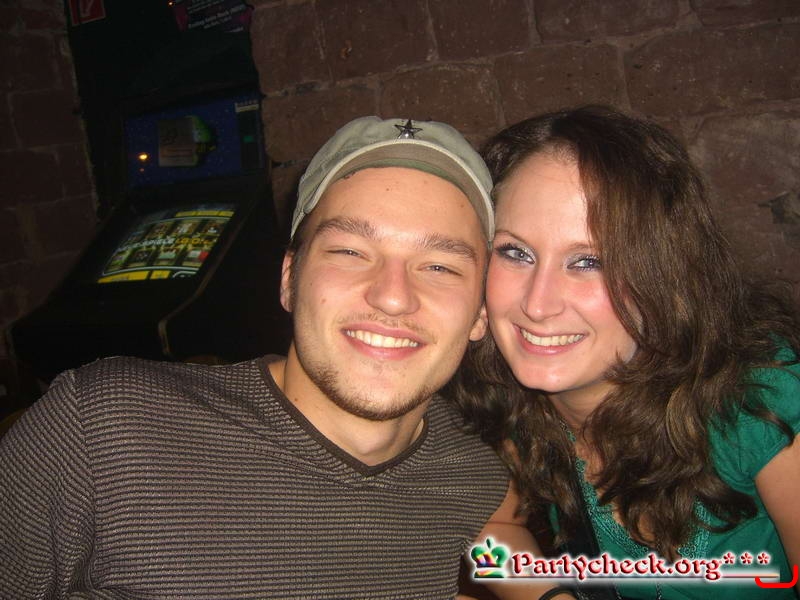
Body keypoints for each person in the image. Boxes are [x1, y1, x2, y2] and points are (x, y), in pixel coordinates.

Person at [0, 116, 570, 600]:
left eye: (440, 265)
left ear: (479, 314)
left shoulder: (472, 470)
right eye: (350, 251)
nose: (393, 296)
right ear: (290, 279)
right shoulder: (103, 428)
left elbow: (497, 535)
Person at [449, 105, 800, 599]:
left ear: (666, 274)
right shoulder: (504, 399)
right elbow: (493, 526)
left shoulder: (760, 397)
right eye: (515, 252)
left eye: (589, 261)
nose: (537, 304)